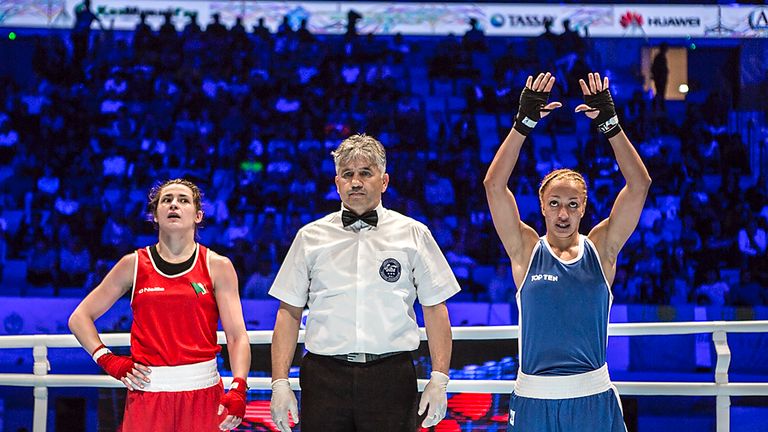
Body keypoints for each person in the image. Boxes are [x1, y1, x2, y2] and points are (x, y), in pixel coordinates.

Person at [484, 72, 651, 432]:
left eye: (572, 204)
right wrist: (522, 124)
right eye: (555, 203)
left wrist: (611, 125)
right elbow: (494, 186)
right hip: (534, 399)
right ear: (542, 207)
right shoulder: (525, 249)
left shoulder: (601, 250)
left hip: (592, 399)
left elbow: (639, 185)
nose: (563, 213)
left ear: (583, 208)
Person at [269, 134, 460, 432]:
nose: (355, 182)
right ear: (337, 183)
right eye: (348, 174)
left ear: (383, 181)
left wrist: (439, 379)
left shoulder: (413, 234)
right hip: (323, 377)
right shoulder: (309, 237)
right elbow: (288, 311)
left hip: (391, 376)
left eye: (365, 173)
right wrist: (279, 382)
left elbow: (435, 308)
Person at [68, 179, 251, 431]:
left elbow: (236, 336)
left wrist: (239, 387)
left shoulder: (217, 265)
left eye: (183, 200)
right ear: (155, 215)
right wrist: (108, 360)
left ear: (198, 215)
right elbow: (79, 318)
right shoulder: (132, 264)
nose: (174, 204)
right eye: (167, 200)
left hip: (204, 394)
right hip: (147, 394)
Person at [651, 43, 669, 112]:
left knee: (661, 93)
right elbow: (657, 69)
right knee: (660, 93)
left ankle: (659, 106)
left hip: (661, 79)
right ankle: (658, 107)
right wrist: (659, 78)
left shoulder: (661, 57)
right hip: (660, 79)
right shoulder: (660, 57)